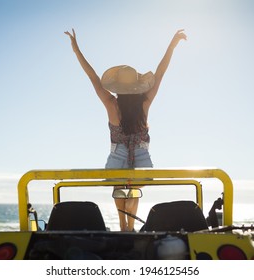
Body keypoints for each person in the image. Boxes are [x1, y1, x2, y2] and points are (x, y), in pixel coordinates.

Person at [64, 28, 186, 231]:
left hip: (117, 155)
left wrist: (76, 49)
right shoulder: (145, 103)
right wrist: (172, 45)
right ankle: (130, 226)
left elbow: (92, 76)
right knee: (134, 190)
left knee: (119, 188)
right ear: (137, 86)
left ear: (118, 87)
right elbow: (161, 72)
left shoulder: (111, 104)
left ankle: (123, 226)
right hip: (141, 153)